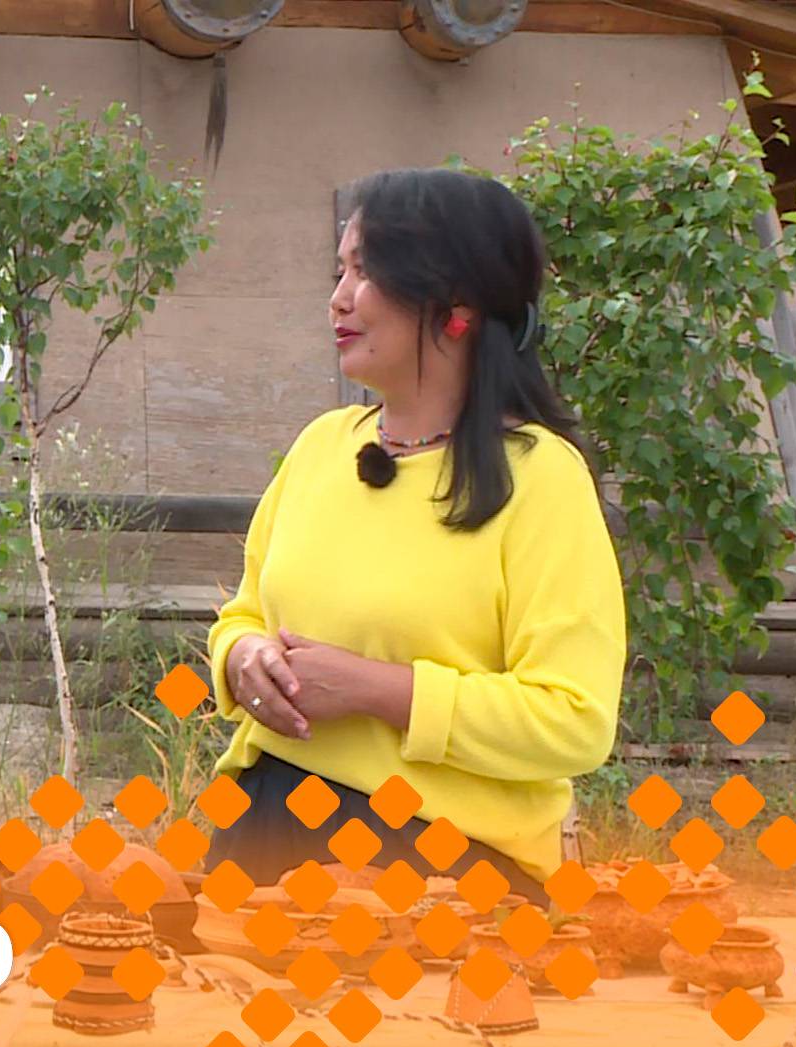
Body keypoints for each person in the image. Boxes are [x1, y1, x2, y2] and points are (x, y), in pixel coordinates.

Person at [206, 168, 626, 899]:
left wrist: (377, 691)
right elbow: (243, 614)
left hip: (440, 865)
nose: (339, 298)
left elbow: (574, 721)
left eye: (366, 272)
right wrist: (242, 657)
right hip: (261, 826)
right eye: (339, 272)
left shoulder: (541, 477)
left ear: (456, 302)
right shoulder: (322, 446)